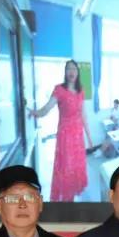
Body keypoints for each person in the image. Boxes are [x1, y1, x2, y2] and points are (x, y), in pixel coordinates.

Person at [30, 59, 93, 202]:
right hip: (65, 137)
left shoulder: (81, 90)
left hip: (78, 138)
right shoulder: (59, 89)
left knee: (75, 169)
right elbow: (47, 108)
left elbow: (84, 115)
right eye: (69, 69)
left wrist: (89, 138)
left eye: (74, 69)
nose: (72, 72)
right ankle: (66, 201)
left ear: (77, 72)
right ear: (65, 72)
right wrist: (35, 113)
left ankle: (71, 199)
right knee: (66, 169)